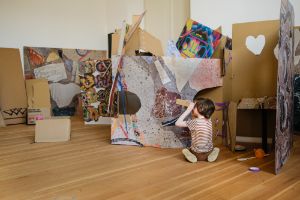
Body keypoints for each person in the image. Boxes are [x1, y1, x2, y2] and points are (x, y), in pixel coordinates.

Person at [175, 97, 220, 163]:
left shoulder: (194, 122)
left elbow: (177, 123)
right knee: (213, 148)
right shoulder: (209, 120)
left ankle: (192, 157)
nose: (193, 108)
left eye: (194, 106)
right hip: (208, 152)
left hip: (196, 154)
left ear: (201, 109)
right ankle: (211, 155)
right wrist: (194, 106)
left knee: (186, 150)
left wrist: (188, 110)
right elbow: (205, 111)